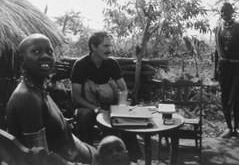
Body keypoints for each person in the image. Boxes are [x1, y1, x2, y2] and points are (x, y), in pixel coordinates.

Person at [6, 34, 97, 164]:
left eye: (49, 51)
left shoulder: (37, 89)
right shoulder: (28, 98)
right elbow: (40, 157)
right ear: (21, 60)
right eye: (36, 51)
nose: (45, 56)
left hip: (78, 153)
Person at [70, 31, 141, 161]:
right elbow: (76, 97)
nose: (109, 50)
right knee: (83, 115)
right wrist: (96, 109)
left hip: (109, 106)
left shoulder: (112, 64)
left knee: (126, 118)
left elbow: (123, 89)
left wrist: (121, 106)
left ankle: (131, 158)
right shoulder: (80, 65)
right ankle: (88, 156)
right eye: (105, 46)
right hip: (88, 107)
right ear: (93, 47)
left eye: (110, 46)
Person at [212, 2, 239, 138]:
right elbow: (216, 52)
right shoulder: (217, 29)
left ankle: (237, 127)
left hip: (237, 66)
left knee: (236, 96)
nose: (223, 14)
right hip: (223, 68)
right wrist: (215, 71)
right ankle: (229, 127)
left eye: (225, 11)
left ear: (231, 11)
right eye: (221, 12)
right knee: (225, 97)